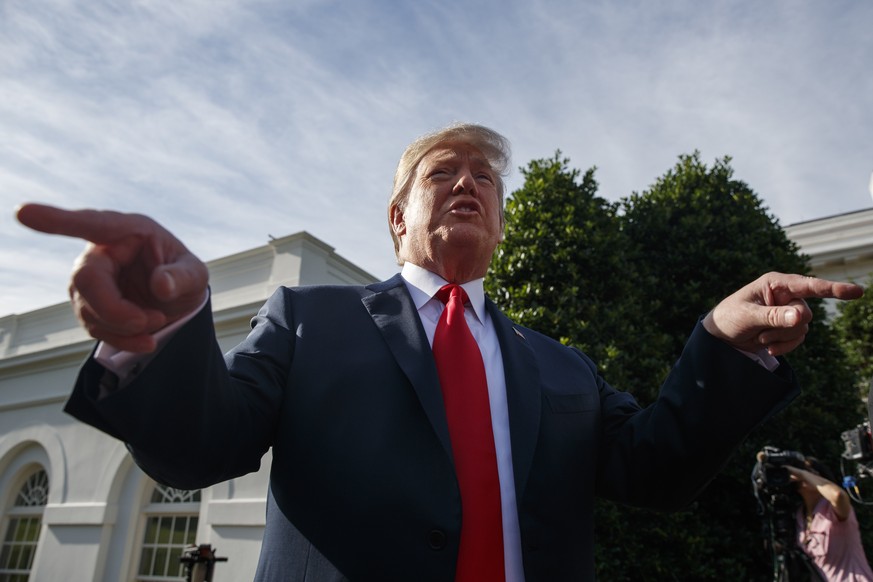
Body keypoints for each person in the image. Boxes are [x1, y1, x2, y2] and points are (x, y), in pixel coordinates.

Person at [15, 123, 864, 582]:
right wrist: (158, 334)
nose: (466, 184)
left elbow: (654, 471)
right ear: (397, 218)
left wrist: (718, 344)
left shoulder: (560, 364)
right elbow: (201, 447)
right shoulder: (308, 320)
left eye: (484, 179)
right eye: (441, 173)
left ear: (497, 220)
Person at [787, 460, 873, 580]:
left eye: (809, 471)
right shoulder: (800, 516)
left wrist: (802, 474)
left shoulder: (831, 508)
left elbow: (838, 495)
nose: (804, 475)